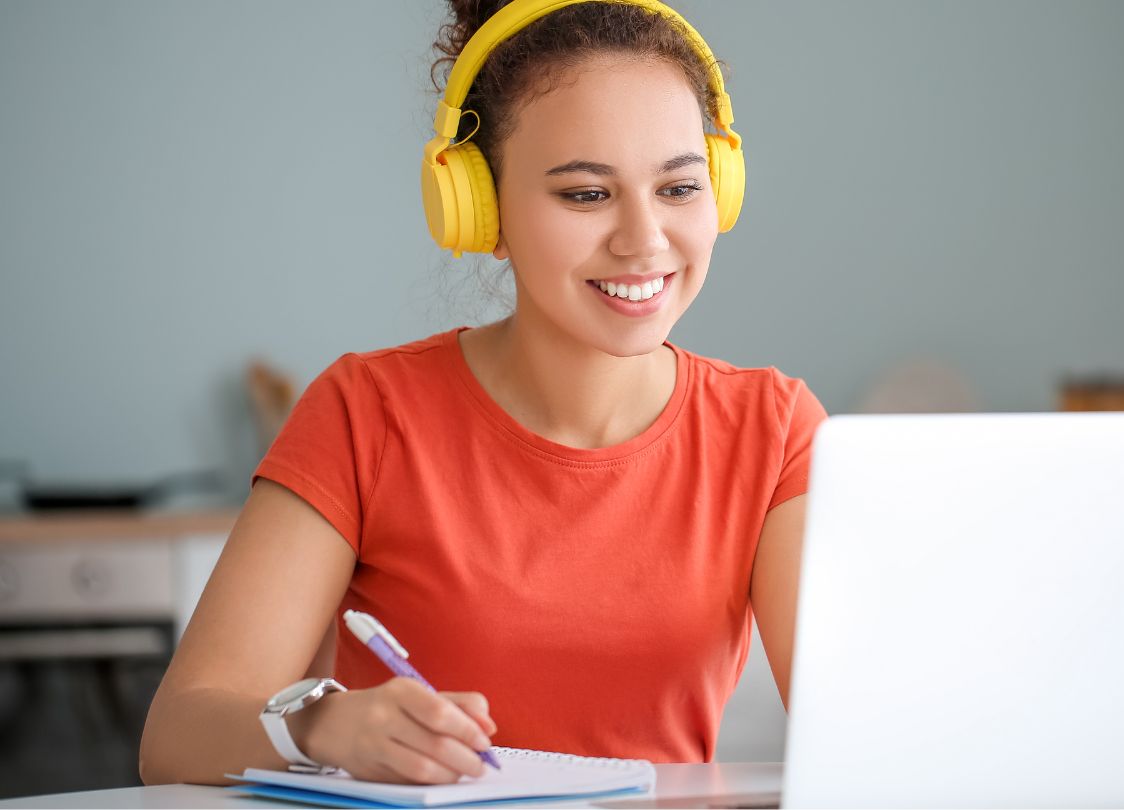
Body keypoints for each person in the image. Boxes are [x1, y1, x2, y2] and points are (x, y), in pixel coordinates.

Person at [138, 0, 827, 787]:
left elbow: (868, 728)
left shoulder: (774, 431)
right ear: (480, 210)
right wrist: (324, 726)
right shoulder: (366, 413)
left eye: (678, 188)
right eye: (585, 195)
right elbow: (179, 732)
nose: (644, 240)